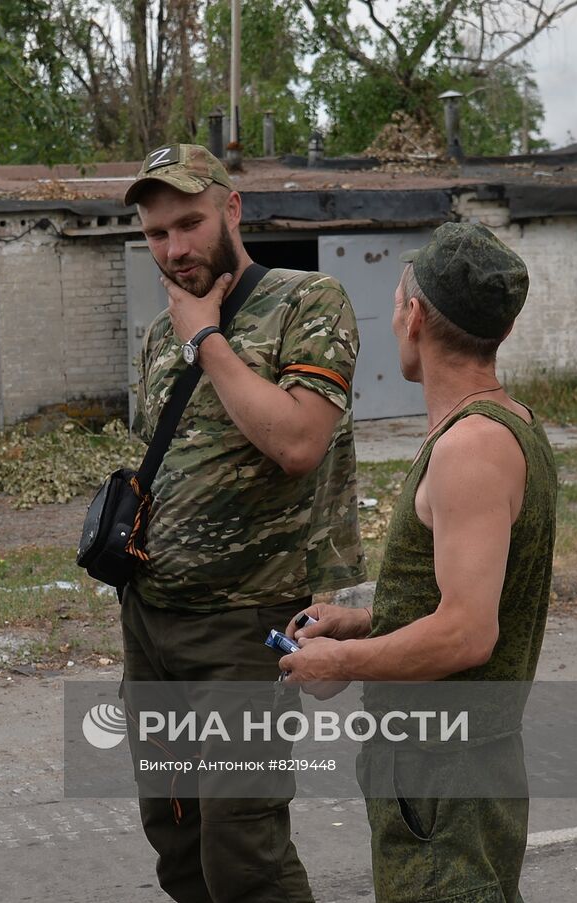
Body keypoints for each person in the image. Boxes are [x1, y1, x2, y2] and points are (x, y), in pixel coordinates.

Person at [280, 222, 558, 902]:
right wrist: (365, 623)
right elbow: (463, 600)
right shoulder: (497, 423)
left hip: (444, 778)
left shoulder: (472, 449)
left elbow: (468, 632)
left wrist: (339, 662)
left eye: (399, 297)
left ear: (415, 316)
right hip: (449, 767)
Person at [122, 143, 366, 903]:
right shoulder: (161, 335)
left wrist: (208, 338)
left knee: (243, 854)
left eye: (189, 224)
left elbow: (299, 443)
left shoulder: (307, 302)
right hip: (152, 625)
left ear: (232, 208)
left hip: (245, 628)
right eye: (157, 234)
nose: (175, 249)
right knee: (179, 843)